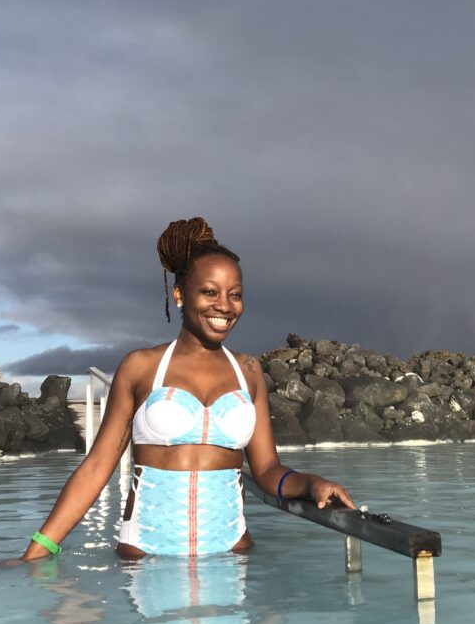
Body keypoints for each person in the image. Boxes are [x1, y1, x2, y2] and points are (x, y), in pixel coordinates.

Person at [22, 217, 354, 560]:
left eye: (235, 295)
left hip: (230, 557)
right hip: (147, 559)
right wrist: (37, 552)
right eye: (209, 292)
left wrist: (312, 483)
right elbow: (97, 467)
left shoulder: (249, 372)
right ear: (180, 294)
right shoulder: (141, 367)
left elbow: (268, 470)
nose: (224, 305)